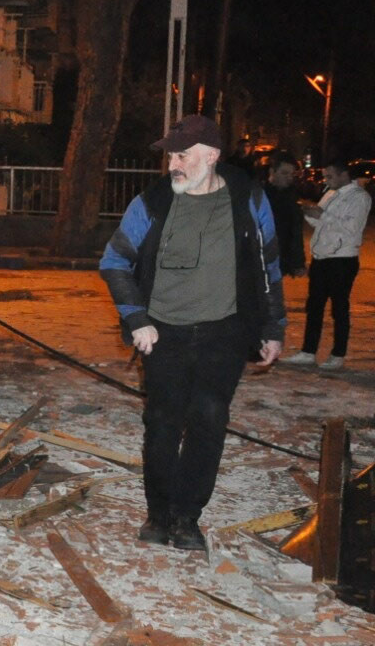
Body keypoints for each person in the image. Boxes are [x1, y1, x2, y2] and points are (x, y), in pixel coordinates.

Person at [100, 115, 285, 552]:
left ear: (212, 156)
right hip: (164, 333)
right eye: (170, 155)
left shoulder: (248, 198)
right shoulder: (153, 203)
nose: (173, 164)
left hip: (226, 331)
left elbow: (269, 267)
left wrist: (272, 325)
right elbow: (115, 261)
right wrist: (136, 318)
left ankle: (187, 517)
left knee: (209, 419)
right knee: (162, 423)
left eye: (182, 154)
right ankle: (158, 513)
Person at [283, 160, 370, 370]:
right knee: (314, 306)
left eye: (330, 176)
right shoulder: (331, 193)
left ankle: (338, 353)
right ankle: (308, 351)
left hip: (342, 259)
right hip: (322, 257)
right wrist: (309, 214)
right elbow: (322, 221)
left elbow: (351, 226)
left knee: (339, 307)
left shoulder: (359, 197)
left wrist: (323, 215)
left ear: (344, 175)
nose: (326, 180)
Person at [263, 155, 307, 277]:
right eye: (284, 173)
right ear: (272, 172)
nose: (289, 178)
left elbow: (295, 231)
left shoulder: (291, 196)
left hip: (281, 259)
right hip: (260, 260)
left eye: (292, 174)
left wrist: (298, 263)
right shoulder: (259, 196)